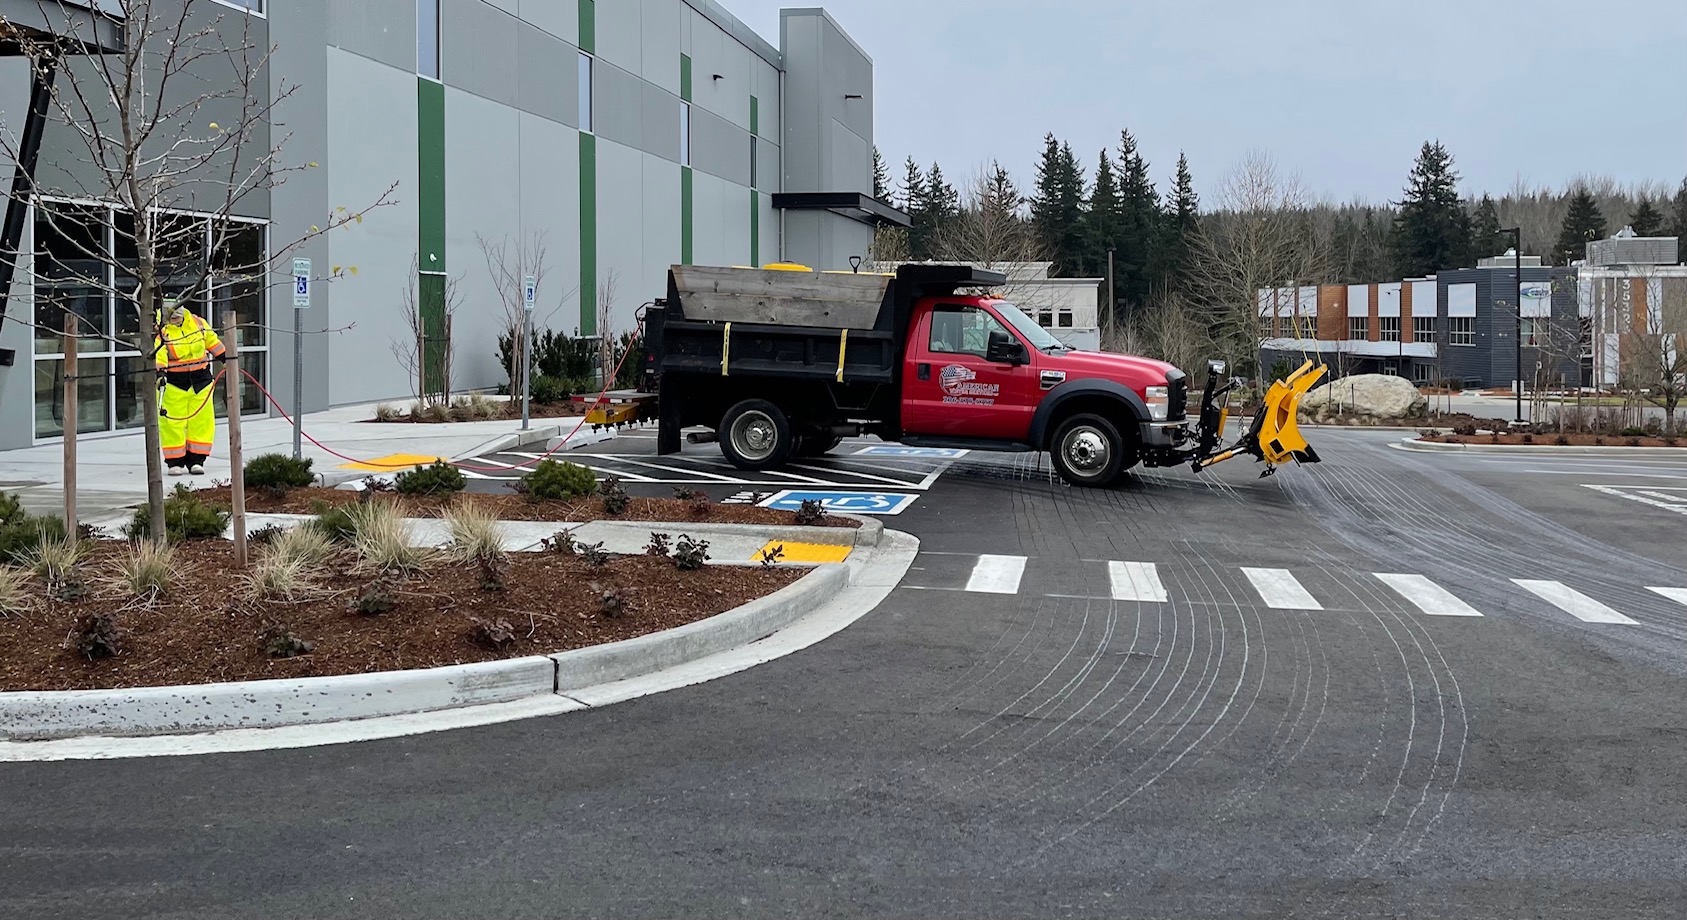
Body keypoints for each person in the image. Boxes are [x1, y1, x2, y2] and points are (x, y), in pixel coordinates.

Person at [153, 296, 227, 476]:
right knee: (172, 423)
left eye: (177, 317)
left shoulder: (198, 324)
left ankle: (197, 460)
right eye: (171, 318)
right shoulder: (160, 331)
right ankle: (175, 462)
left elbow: (212, 342)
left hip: (200, 381)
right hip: (174, 383)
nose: (175, 321)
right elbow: (159, 353)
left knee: (201, 422)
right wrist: (161, 373)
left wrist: (226, 358)